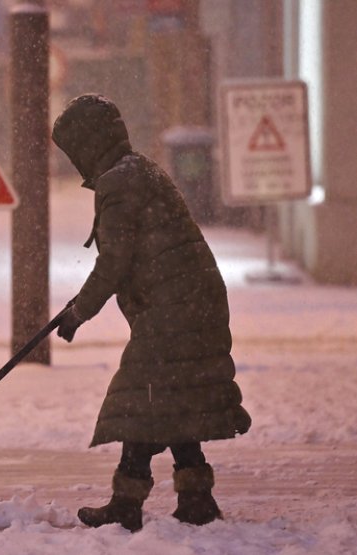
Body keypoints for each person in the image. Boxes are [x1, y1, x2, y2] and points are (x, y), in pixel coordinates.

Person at [51, 94, 251, 532]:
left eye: (74, 150)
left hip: (175, 307)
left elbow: (114, 262)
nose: (75, 162)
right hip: (191, 300)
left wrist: (78, 312)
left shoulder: (120, 183)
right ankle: (196, 499)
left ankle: (127, 503)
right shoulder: (138, 170)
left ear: (88, 143)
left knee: (140, 399)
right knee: (169, 396)